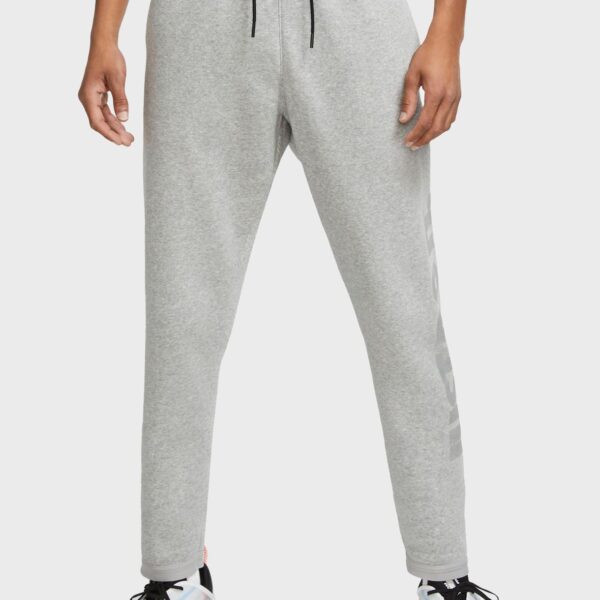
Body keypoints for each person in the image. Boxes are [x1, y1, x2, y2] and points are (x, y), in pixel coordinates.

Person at [79, 0, 498, 598]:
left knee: (401, 312)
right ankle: (172, 572)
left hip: (360, 30)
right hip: (201, 31)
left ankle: (444, 569)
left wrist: (448, 32)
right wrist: (105, 31)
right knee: (182, 314)